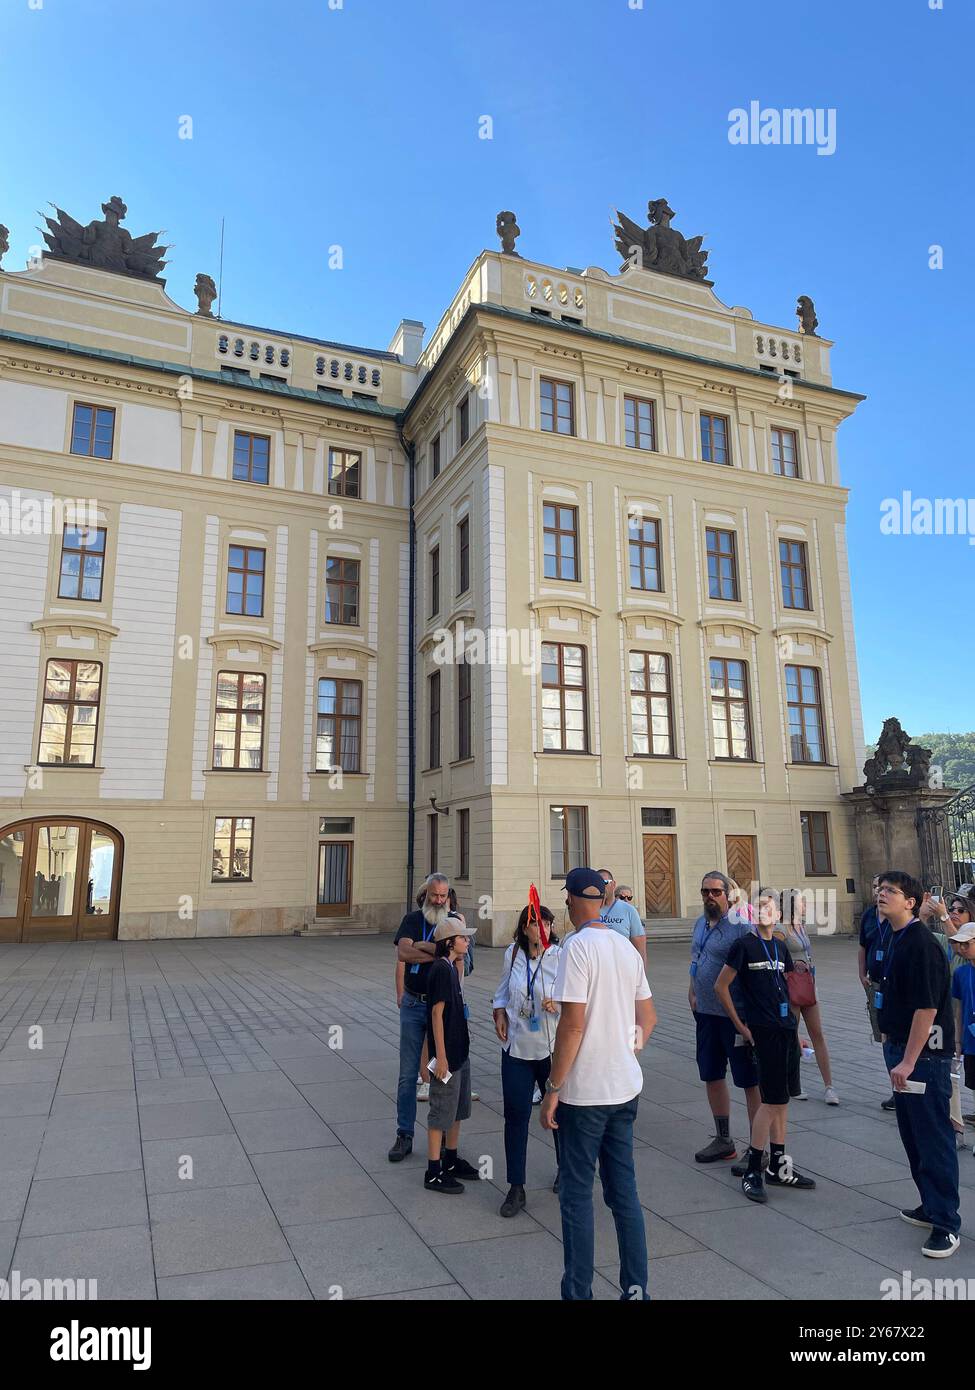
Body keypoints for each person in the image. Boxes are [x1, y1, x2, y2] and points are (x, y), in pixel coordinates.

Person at [540, 867, 656, 1301]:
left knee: (575, 1196)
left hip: (584, 1094)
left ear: (571, 900)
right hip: (625, 1088)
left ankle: (578, 1293)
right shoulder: (625, 947)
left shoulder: (576, 947)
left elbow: (571, 1026)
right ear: (603, 900)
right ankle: (636, 1289)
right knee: (623, 1193)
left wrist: (552, 1088)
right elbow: (648, 1018)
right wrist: (624, 1049)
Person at [875, 870, 961, 1259]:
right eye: (880, 890)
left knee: (932, 1137)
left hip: (925, 1057)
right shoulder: (895, 937)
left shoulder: (921, 944)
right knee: (912, 1135)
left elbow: (927, 1008)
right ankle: (929, 1204)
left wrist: (908, 1060)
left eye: (890, 891)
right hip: (901, 1050)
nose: (881, 895)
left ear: (911, 902)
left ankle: (946, 1223)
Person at [715, 890, 816, 1204]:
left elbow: (784, 992)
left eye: (769, 907)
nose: (764, 911)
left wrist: (796, 1031)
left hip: (785, 1029)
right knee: (769, 1102)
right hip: (762, 1032)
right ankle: (753, 1169)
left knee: (782, 1099)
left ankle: (778, 1165)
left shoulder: (781, 946)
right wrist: (741, 1026)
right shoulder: (743, 945)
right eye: (758, 906)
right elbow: (721, 986)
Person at [492, 902, 561, 1216]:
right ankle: (516, 1187)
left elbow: (575, 1000)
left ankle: (566, 1170)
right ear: (523, 929)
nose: (542, 929)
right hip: (517, 1048)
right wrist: (498, 1012)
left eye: (547, 924)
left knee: (560, 1115)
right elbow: (504, 990)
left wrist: (556, 1003)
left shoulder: (560, 957)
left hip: (550, 1049)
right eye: (536, 924)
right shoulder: (513, 954)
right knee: (516, 1115)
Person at [689, 871, 761, 1164]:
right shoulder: (700, 923)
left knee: (748, 1081)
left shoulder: (740, 927)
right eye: (705, 891)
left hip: (735, 1016)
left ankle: (758, 1148)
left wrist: (747, 1020)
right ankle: (723, 1139)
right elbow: (696, 959)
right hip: (706, 1014)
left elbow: (752, 971)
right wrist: (691, 989)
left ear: (728, 895)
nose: (710, 897)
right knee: (712, 1074)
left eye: (715, 892)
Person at [389, 873, 460, 1162]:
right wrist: (438, 952)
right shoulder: (412, 920)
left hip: (442, 1008)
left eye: (443, 896)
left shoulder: (453, 922)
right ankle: (404, 1134)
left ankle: (442, 1136)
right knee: (408, 1075)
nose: (439, 900)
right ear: (426, 894)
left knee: (441, 1073)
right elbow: (403, 953)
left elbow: (459, 959)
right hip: (414, 1004)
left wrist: (422, 947)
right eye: (435, 895)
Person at [424, 918, 482, 1193]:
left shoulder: (450, 968)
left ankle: (450, 1158)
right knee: (441, 1112)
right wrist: (441, 1056)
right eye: (463, 938)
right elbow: (436, 1014)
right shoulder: (440, 970)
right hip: (448, 1055)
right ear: (449, 942)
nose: (467, 942)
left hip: (460, 1051)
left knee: (457, 1109)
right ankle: (434, 1171)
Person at [776, 889, 839, 1105]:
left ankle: (829, 1086)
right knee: (790, 1034)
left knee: (817, 1034)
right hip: (791, 987)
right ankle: (792, 1084)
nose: (805, 906)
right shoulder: (780, 928)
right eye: (802, 902)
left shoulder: (800, 925)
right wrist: (790, 968)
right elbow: (775, 956)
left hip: (808, 985)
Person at [858, 875, 896, 1110]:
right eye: (875, 888)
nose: (878, 892)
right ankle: (895, 1087)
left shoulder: (898, 915)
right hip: (875, 984)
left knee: (898, 1033)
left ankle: (907, 1083)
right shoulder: (869, 916)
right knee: (882, 1035)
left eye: (883, 888)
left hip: (895, 984)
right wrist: (861, 973)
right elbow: (863, 946)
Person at [949, 920, 975, 1156]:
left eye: (966, 944)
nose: (962, 949)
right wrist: (958, 1040)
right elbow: (958, 1008)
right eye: (959, 945)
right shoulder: (961, 973)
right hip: (971, 1040)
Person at [596, 869, 647, 969]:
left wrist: (642, 978)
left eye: (605, 883)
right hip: (599, 969)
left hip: (624, 968)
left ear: (613, 884)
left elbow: (641, 948)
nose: (601, 886)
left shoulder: (629, 910)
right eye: (597, 883)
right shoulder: (591, 909)